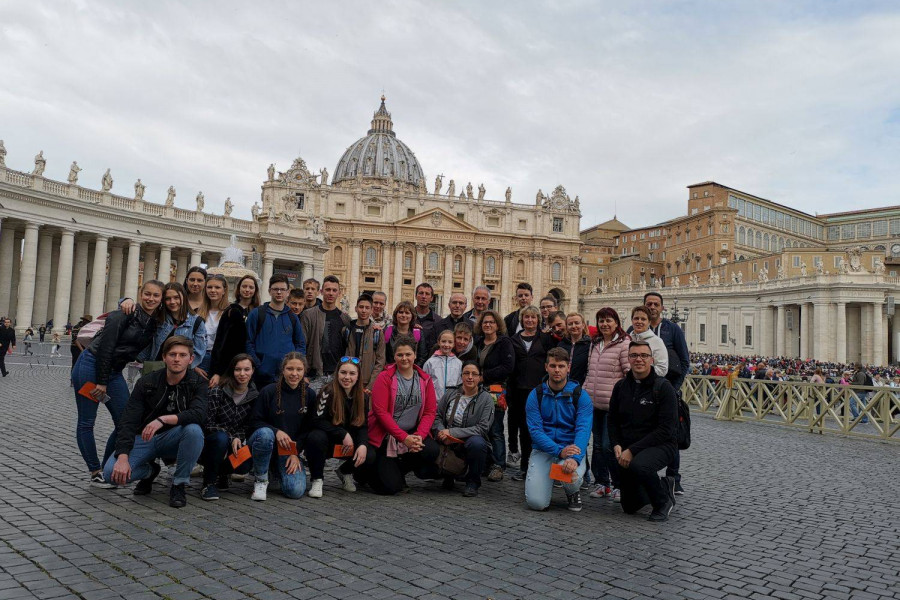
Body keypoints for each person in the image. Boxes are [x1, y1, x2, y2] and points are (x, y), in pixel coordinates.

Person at [72, 280, 164, 487]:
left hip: (114, 372)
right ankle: (95, 470)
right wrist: (102, 382)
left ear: (161, 299)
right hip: (91, 366)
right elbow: (105, 348)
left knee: (126, 421)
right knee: (87, 421)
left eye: (156, 295)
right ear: (141, 293)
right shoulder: (122, 314)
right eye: (147, 294)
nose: (151, 299)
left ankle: (107, 468)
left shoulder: (153, 322)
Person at [104, 336, 208, 508]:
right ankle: (150, 471)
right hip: (145, 438)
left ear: (191, 359)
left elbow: (199, 414)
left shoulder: (198, 383)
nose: (177, 359)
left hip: (175, 438)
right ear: (164, 357)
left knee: (194, 430)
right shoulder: (146, 382)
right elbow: (128, 421)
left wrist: (163, 419)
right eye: (172, 354)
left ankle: (179, 483)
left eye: (182, 355)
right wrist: (122, 457)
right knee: (111, 475)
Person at [607, 340, 678, 522]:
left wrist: (631, 451)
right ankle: (662, 485)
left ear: (652, 359)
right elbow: (612, 420)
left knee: (640, 465)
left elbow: (666, 429)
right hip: (631, 446)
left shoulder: (663, 388)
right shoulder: (620, 387)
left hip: (661, 445)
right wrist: (616, 443)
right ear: (629, 359)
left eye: (644, 355)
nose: (639, 359)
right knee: (630, 507)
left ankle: (663, 502)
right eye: (634, 355)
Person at [361, 335, 439, 495]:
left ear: (415, 355)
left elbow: (430, 411)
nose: (404, 358)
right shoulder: (384, 377)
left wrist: (419, 436)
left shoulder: (425, 379)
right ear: (394, 356)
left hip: (411, 432)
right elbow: (381, 413)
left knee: (430, 450)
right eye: (400, 355)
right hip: (385, 435)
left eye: (408, 354)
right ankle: (363, 474)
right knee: (390, 488)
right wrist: (404, 438)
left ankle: (397, 469)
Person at [524, 347, 593, 512]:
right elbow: (535, 432)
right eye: (553, 366)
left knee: (571, 476)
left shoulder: (581, 396)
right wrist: (558, 451)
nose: (557, 370)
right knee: (537, 504)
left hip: (570, 449)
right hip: (544, 450)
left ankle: (572, 491)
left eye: (561, 366)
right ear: (546, 367)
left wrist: (574, 458)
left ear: (568, 368)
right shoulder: (536, 395)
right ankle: (545, 480)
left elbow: (583, 430)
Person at [247, 352, 315, 501]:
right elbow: (254, 421)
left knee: (295, 491)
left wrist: (295, 453)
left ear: (304, 371)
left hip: (288, 450)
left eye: (299, 370)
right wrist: (275, 431)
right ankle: (261, 479)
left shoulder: (309, 395)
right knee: (265, 434)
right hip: (266, 443)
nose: (294, 374)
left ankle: (275, 471)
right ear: (283, 370)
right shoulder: (269, 391)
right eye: (290, 369)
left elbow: (308, 429)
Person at [642, 292, 690, 495]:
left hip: (668, 390)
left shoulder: (673, 329)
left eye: (656, 304)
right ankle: (645, 473)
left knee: (671, 434)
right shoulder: (635, 328)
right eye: (648, 304)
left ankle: (673, 477)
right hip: (643, 391)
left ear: (662, 307)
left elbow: (685, 360)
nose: (652, 307)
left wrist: (674, 388)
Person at [582, 307, 631, 501]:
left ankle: (619, 484)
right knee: (598, 446)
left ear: (616, 323)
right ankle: (602, 483)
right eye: (601, 320)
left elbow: (627, 373)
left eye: (608, 320)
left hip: (613, 405)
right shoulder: (595, 343)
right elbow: (589, 371)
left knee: (609, 445)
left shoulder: (624, 344)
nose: (604, 324)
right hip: (594, 403)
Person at [305, 357, 370, 497]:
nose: (347, 377)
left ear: (358, 376)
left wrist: (363, 444)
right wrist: (342, 434)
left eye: (352, 373)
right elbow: (316, 420)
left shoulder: (363, 396)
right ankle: (317, 479)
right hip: (328, 439)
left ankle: (345, 472)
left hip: (349, 441)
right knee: (315, 437)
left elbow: (363, 425)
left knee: (370, 451)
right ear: (337, 373)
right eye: (343, 372)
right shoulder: (327, 391)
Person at [200, 353, 259, 500]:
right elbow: (208, 423)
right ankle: (209, 483)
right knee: (221, 438)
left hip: (234, 442)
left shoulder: (255, 396)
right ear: (232, 371)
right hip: (212, 442)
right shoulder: (218, 391)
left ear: (253, 371)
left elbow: (247, 426)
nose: (242, 374)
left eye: (247, 369)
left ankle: (221, 472)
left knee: (246, 463)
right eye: (238, 369)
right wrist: (230, 436)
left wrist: (238, 437)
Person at [432, 361, 494, 496]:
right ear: (461, 376)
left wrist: (453, 433)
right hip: (447, 437)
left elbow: (482, 428)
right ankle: (447, 474)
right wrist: (442, 432)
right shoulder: (450, 393)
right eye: (466, 373)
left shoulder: (486, 399)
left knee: (477, 444)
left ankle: (473, 482)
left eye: (474, 374)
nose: (470, 377)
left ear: (480, 377)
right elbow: (437, 416)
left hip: (469, 439)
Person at [509, 306, 553, 481]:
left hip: (540, 391)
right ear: (522, 320)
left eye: (533, 318)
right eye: (526, 317)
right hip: (519, 390)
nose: (529, 320)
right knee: (524, 430)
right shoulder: (513, 340)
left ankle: (546, 466)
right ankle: (525, 467)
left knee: (544, 429)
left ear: (538, 319)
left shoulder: (546, 339)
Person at [475, 310, 515, 482]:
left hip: (496, 390)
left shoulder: (504, 342)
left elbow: (508, 367)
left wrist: (484, 376)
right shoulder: (478, 342)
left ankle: (499, 464)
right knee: (482, 426)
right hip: (478, 389)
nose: (488, 325)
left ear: (498, 325)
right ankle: (486, 462)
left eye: (491, 322)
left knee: (496, 428)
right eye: (485, 322)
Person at [246, 274, 307, 387]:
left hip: (286, 376)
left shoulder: (292, 317)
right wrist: (258, 364)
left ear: (288, 292)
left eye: (282, 289)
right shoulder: (257, 314)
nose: (279, 292)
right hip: (261, 376)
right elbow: (248, 342)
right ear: (269, 291)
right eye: (275, 289)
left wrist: (295, 366)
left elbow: (300, 344)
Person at [135, 282, 207, 372]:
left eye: (176, 297)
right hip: (153, 370)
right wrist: (126, 300)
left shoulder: (197, 322)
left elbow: (199, 352)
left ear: (184, 297)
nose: (172, 302)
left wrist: (185, 368)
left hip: (179, 373)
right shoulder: (158, 317)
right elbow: (147, 343)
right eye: (168, 299)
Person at [208, 274, 261, 388]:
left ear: (255, 290)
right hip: (231, 363)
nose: (247, 290)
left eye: (251, 287)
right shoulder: (231, 310)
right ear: (239, 288)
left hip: (253, 362)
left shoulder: (260, 312)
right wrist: (218, 371)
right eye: (244, 286)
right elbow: (221, 340)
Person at [300, 275, 351, 391]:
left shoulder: (345, 319)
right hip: (313, 375)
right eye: (328, 290)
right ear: (322, 292)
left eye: (334, 290)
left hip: (337, 375)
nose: (331, 293)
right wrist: (302, 373)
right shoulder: (308, 315)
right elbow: (301, 345)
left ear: (339, 293)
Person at [342, 293, 386, 393]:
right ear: (356, 308)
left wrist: (370, 385)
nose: (364, 310)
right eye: (361, 307)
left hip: (367, 383)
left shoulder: (377, 333)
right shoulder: (346, 331)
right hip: (348, 381)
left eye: (367, 308)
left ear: (371, 310)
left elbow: (380, 361)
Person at [195, 274, 229, 378]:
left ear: (224, 290)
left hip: (219, 360)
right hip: (198, 358)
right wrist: (193, 365)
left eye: (217, 287)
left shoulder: (230, 313)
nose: (213, 290)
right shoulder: (197, 312)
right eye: (209, 287)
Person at [423, 329, 462, 400]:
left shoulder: (458, 363)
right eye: (443, 341)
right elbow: (424, 383)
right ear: (438, 342)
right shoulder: (430, 362)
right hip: (434, 402)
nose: (446, 345)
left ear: (453, 344)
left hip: (451, 402)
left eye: (450, 342)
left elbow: (460, 384)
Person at [629, 306, 668, 376]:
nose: (639, 321)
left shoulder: (657, 342)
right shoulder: (627, 340)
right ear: (632, 320)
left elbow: (662, 369)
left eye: (643, 319)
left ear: (649, 322)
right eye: (636, 318)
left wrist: (640, 374)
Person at [558, 312, 591, 385]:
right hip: (562, 385)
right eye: (570, 324)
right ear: (567, 327)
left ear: (583, 325)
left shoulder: (590, 345)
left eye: (576, 323)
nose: (573, 326)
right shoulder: (561, 345)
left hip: (581, 386)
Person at [413, 283, 438, 350]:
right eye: (421, 293)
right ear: (415, 296)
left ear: (432, 298)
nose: (424, 296)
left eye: (427, 294)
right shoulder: (407, 318)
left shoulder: (438, 321)